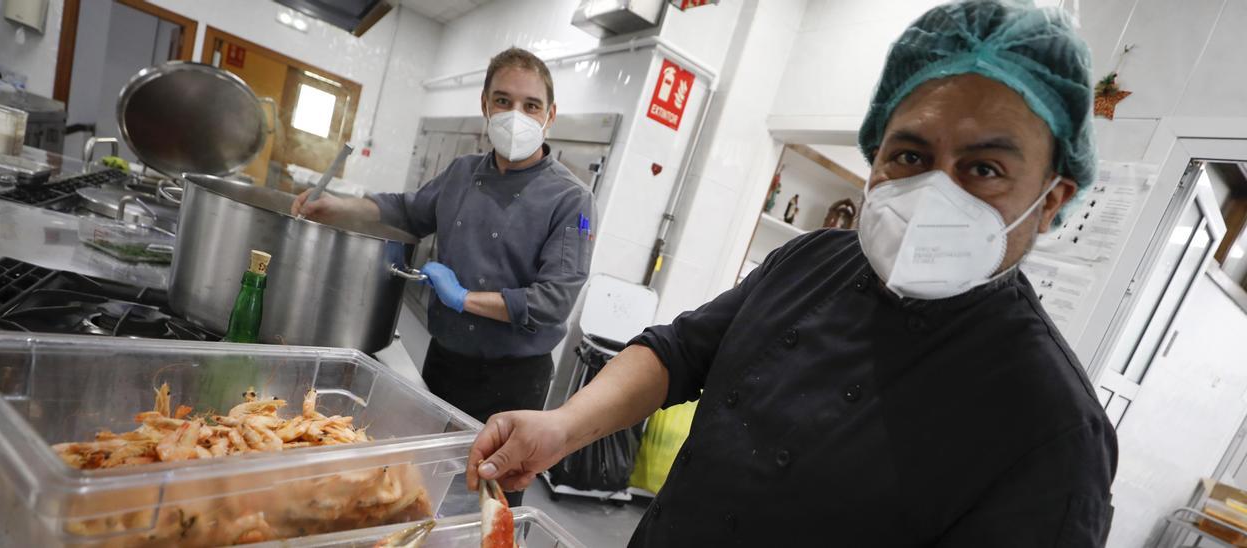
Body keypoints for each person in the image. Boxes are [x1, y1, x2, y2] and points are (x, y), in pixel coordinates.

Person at [466, 1, 1117, 545]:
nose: (936, 193)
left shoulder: (1052, 431)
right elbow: (678, 351)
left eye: (984, 168)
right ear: (875, 157)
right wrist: (562, 426)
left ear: (1051, 199)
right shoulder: (812, 260)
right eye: (910, 154)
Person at [292, 47, 594, 504]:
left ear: (550, 116)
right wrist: (337, 206)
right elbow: (406, 211)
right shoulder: (461, 174)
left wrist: (462, 298)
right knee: (419, 486)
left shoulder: (571, 199)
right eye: (503, 100)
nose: (516, 115)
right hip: (445, 362)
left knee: (487, 502)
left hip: (513, 381)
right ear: (485, 106)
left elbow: (553, 301)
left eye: (531, 105)